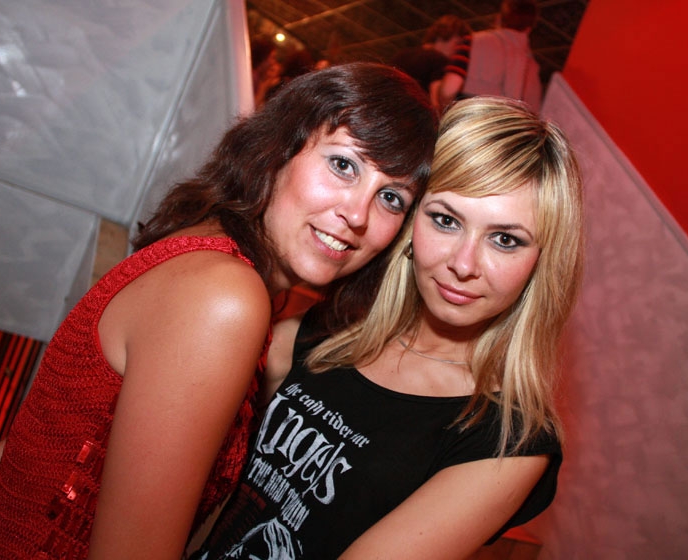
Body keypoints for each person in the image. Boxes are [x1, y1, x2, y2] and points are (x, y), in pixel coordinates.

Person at [0, 62, 438, 560]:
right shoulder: (224, 296)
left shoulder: (207, 245)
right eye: (343, 165)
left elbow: (81, 429)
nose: (357, 214)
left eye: (391, 197)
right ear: (280, 147)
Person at [191, 95, 584, 559]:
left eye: (504, 239)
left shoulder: (507, 441)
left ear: (541, 263)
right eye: (445, 220)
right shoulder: (326, 330)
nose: (463, 264)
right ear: (410, 223)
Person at [439, 0, 544, 111]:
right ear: (529, 28)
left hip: (470, 115)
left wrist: (445, 112)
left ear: (499, 18)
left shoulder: (474, 41)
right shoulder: (534, 69)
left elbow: (448, 89)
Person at [391, 15, 472, 111]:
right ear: (444, 36)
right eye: (457, 44)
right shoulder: (440, 60)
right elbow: (436, 102)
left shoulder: (401, 55)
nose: (458, 50)